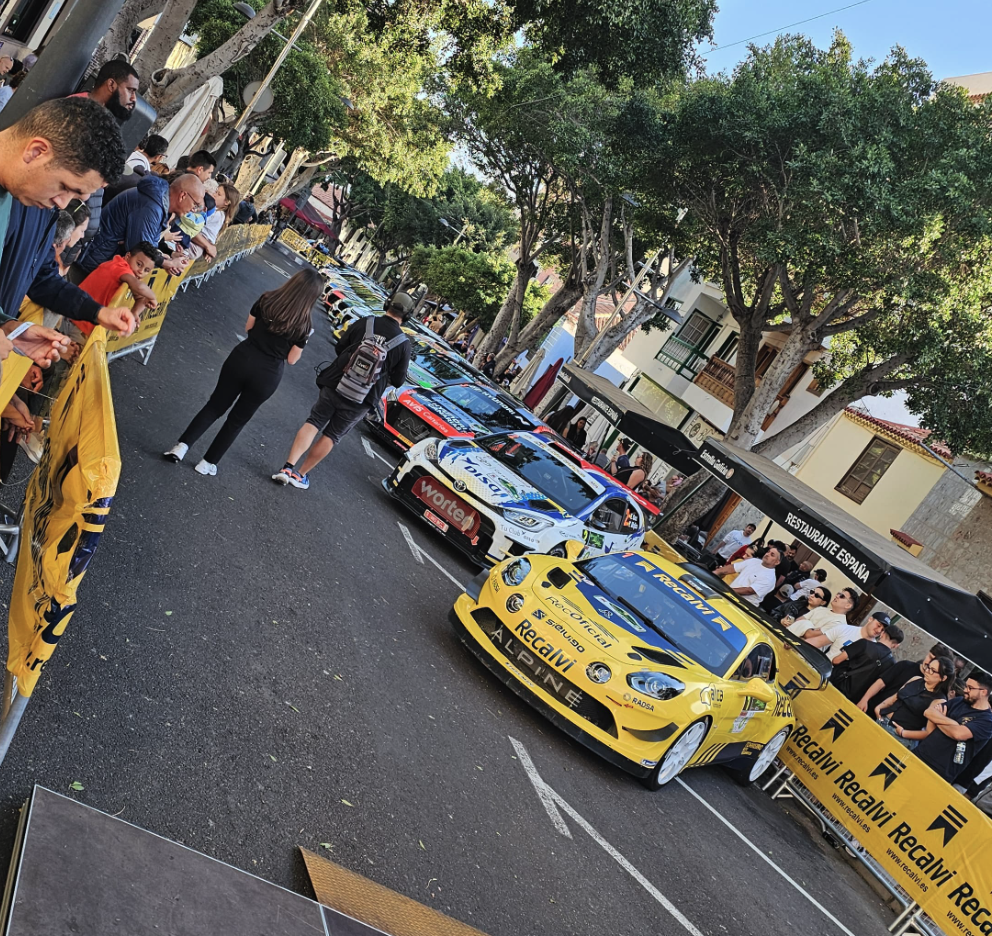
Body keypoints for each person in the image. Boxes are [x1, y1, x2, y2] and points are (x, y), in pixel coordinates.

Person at [0, 97, 134, 366]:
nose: (63, 204)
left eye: (76, 195)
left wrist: (9, 327)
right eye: (65, 186)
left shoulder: (35, 200)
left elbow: (39, 273)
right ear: (36, 152)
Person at [164, 268, 323, 476]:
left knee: (214, 405)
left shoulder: (267, 299)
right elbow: (292, 359)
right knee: (237, 420)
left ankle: (181, 447)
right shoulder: (304, 325)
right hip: (268, 373)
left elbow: (249, 328)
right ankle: (207, 462)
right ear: (312, 297)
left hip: (242, 357)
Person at [272, 292, 413, 490]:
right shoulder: (403, 344)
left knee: (314, 421)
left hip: (337, 383)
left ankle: (287, 468)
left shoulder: (367, 322)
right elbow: (398, 381)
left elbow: (340, 347)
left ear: (387, 304)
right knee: (332, 435)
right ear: (407, 315)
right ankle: (300, 475)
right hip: (362, 399)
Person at [78, 173, 204, 278]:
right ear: (183, 196)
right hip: (94, 261)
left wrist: (170, 254)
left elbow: (148, 242)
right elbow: (142, 252)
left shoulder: (157, 201)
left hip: (102, 256)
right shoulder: (152, 207)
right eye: (196, 204)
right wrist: (169, 264)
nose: (194, 210)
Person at [69, 240, 161, 339]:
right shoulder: (120, 267)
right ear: (128, 256)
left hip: (85, 320)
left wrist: (134, 313)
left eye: (146, 270)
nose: (141, 271)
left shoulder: (131, 274)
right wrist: (153, 297)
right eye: (139, 264)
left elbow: (141, 297)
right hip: (79, 322)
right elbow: (140, 288)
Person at [915, 670, 992, 784]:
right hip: (920, 753)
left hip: (940, 771)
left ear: (984, 692)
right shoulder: (959, 701)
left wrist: (939, 719)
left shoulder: (987, 721)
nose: (965, 690)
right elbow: (929, 712)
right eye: (966, 686)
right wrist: (953, 724)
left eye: (970, 688)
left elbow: (958, 734)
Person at [876, 655, 954, 749]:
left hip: (899, 735)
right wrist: (879, 708)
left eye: (933, 670)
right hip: (882, 719)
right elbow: (895, 697)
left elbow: (928, 732)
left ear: (943, 678)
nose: (927, 671)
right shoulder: (916, 679)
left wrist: (903, 733)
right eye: (928, 667)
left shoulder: (939, 700)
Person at [856, 643, 952, 714]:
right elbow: (881, 682)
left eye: (934, 664)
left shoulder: (936, 693)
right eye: (930, 657)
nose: (929, 663)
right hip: (872, 708)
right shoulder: (905, 665)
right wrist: (865, 699)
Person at [832, 621, 904, 702]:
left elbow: (836, 661)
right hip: (855, 700)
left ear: (882, 634)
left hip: (836, 685)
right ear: (896, 645)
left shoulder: (864, 644)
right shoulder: (892, 665)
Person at [786, 587, 859, 647]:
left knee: (805, 623)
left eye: (842, 596)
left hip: (804, 649)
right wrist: (810, 628)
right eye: (838, 593)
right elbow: (799, 620)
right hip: (791, 639)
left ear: (848, 605)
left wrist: (804, 626)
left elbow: (811, 635)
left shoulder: (840, 624)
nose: (837, 596)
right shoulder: (820, 609)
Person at [712, 546, 781, 607]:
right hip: (728, 596)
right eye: (768, 552)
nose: (767, 554)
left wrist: (726, 590)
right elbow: (733, 568)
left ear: (777, 562)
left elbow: (749, 590)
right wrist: (717, 572)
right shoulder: (754, 561)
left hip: (742, 605)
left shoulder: (770, 578)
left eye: (772, 555)